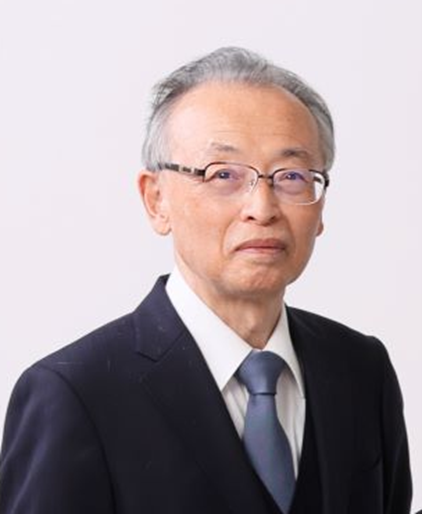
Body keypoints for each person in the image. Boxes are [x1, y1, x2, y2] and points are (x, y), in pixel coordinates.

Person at [0, 47, 412, 514]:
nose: (262, 208)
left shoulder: (361, 371)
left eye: (291, 176)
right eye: (223, 175)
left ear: (320, 207)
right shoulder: (75, 394)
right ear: (156, 200)